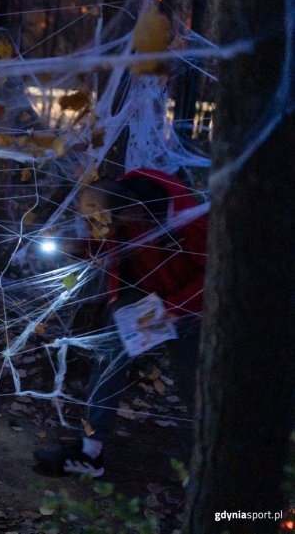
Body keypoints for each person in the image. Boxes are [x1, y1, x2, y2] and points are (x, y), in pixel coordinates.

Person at [34, 168, 207, 477]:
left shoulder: (185, 218)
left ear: (128, 213)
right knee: (108, 358)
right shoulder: (122, 198)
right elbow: (110, 242)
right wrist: (74, 247)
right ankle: (90, 453)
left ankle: (216, 458)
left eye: (94, 222)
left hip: (187, 307)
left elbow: (213, 273)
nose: (90, 227)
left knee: (194, 380)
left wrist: (174, 309)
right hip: (141, 299)